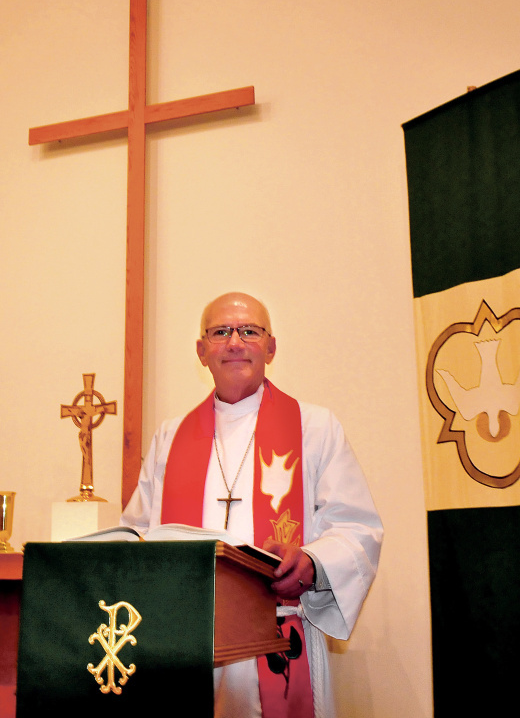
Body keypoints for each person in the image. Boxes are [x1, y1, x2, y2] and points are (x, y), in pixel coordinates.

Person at [121, 292, 383, 718]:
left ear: (271, 347)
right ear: (201, 351)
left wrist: (313, 564)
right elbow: (138, 533)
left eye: (249, 331)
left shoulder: (314, 427)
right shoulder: (170, 438)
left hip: (278, 636)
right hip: (185, 641)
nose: (235, 342)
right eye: (220, 332)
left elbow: (357, 527)